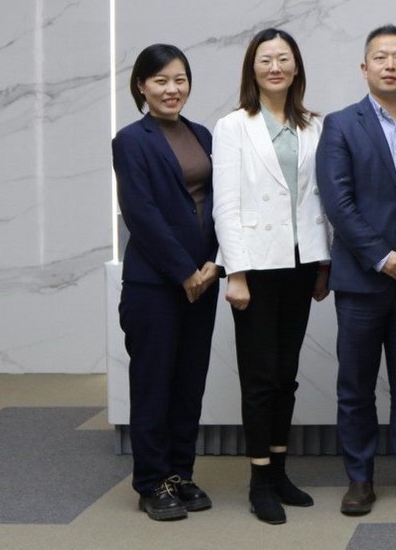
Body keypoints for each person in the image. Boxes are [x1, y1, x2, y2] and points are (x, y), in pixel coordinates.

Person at [316, 25, 396, 516]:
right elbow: (338, 202)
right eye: (380, 57)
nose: (389, 65)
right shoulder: (340, 125)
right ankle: (359, 478)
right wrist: (380, 256)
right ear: (364, 67)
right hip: (360, 281)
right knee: (356, 387)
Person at [212, 28, 331, 525]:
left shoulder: (314, 125)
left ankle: (279, 471)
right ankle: (259, 480)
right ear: (252, 69)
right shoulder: (233, 125)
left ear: (296, 66)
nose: (275, 67)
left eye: (283, 58)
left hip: (302, 264)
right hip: (257, 266)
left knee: (286, 375)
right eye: (265, 59)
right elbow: (226, 205)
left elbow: (319, 199)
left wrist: (323, 264)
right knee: (260, 378)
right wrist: (235, 273)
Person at [112, 43, 220, 521]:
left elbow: (221, 203)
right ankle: (151, 481)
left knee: (189, 384)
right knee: (153, 384)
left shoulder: (202, 134)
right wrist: (183, 271)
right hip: (154, 285)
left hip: (204, 281)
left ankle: (180, 474)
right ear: (141, 85)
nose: (171, 89)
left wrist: (213, 264)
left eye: (179, 79)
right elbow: (141, 213)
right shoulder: (130, 140)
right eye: (160, 80)